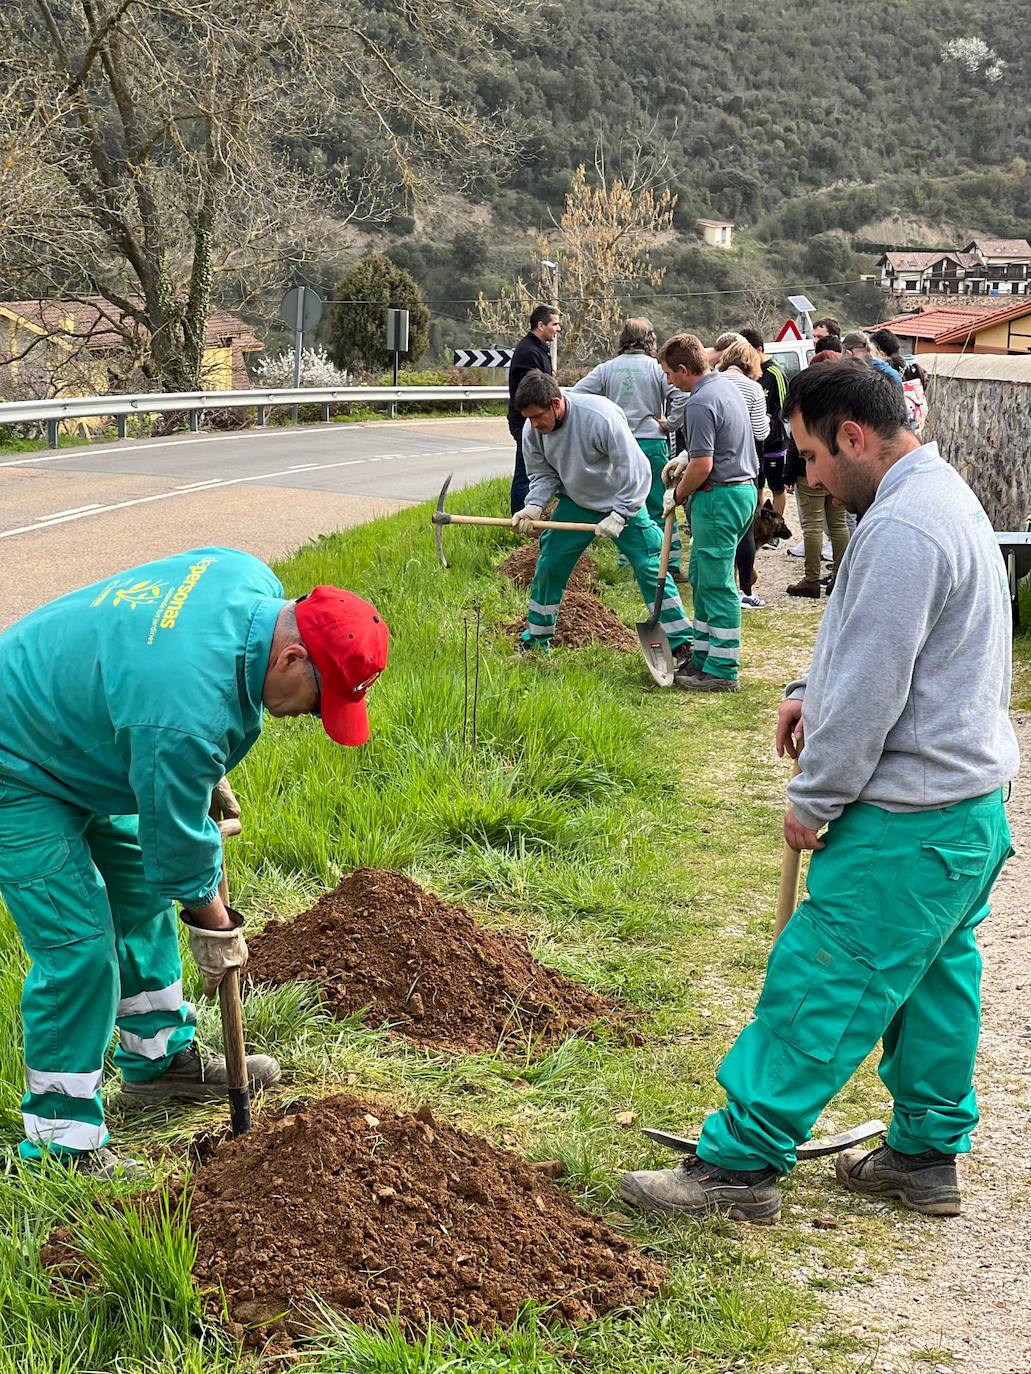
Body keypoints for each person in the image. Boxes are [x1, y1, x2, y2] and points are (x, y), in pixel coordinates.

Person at [621, 361, 1017, 1224]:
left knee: (821, 978)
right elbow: (867, 637)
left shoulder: (905, 527)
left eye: (807, 456)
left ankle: (737, 1168)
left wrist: (816, 799)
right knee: (929, 985)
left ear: (852, 436)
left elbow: (874, 687)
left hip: (909, 822)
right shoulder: (930, 496)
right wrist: (807, 683)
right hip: (963, 818)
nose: (804, 476)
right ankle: (921, 1156)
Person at [0, 549, 389, 1176]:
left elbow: (177, 709)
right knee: (77, 945)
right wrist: (217, 926)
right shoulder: (183, 718)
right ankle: (58, 1141)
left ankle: (159, 1065)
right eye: (320, 703)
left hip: (87, 732)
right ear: (292, 657)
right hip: (15, 757)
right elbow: (180, 852)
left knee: (140, 898)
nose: (313, 718)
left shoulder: (248, 577)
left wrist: (196, 772)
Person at [511, 371, 692, 666]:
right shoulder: (533, 431)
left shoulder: (600, 417)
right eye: (528, 418)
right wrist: (533, 505)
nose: (534, 424)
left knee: (650, 566)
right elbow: (543, 474)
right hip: (577, 502)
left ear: (556, 404)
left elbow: (635, 470)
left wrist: (621, 513)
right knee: (550, 563)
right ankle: (537, 638)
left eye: (538, 417)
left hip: (623, 499)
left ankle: (682, 642)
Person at [659, 333, 759, 691]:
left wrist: (677, 494)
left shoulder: (699, 403)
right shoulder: (725, 385)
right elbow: (719, 441)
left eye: (669, 373)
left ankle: (722, 668)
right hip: (739, 492)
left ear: (684, 369)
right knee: (701, 577)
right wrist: (685, 458)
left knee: (716, 584)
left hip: (720, 497)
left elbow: (704, 464)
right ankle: (702, 654)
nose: (669, 380)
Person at [573, 318, 687, 578]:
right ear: (651, 340)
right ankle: (667, 564)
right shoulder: (657, 368)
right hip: (652, 443)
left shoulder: (606, 369)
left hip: (617, 447)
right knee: (660, 503)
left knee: (625, 504)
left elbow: (577, 395)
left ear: (622, 339)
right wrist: (670, 424)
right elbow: (681, 396)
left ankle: (629, 563)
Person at [783, 353, 850, 596]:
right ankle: (839, 577)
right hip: (838, 470)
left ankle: (811, 580)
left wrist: (788, 475)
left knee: (811, 525)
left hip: (806, 471)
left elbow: (795, 442)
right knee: (838, 525)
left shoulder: (807, 401)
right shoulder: (845, 401)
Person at [713, 334, 768, 609]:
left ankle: (721, 587)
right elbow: (761, 432)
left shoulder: (713, 382)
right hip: (746, 464)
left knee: (716, 534)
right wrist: (766, 418)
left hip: (713, 464)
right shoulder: (752, 389)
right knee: (745, 529)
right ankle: (745, 588)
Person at [507, 306, 561, 515]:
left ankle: (534, 513)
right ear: (541, 325)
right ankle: (521, 518)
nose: (557, 329)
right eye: (554, 324)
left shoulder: (538, 349)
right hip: (526, 420)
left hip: (531, 418)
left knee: (536, 469)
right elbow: (534, 393)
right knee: (526, 471)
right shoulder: (529, 352)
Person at [740, 326, 789, 526]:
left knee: (777, 488)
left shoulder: (774, 372)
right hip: (753, 444)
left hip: (774, 442)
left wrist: (771, 420)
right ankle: (759, 526)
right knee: (757, 487)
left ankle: (776, 528)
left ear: (758, 349)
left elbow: (787, 407)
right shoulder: (746, 373)